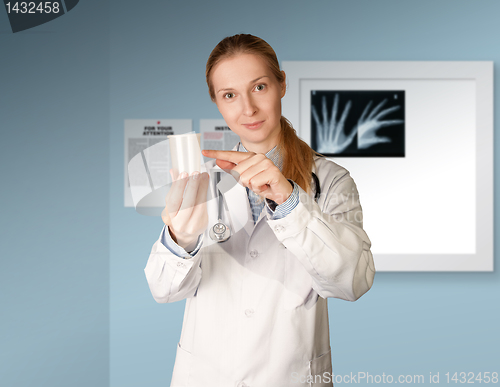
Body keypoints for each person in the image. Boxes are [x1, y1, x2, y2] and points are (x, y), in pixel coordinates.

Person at [144, 34, 375, 387]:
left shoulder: (331, 181)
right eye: (230, 95)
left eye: (260, 87)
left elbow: (352, 283)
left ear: (281, 85)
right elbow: (164, 290)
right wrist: (181, 239)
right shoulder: (201, 181)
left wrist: (290, 202)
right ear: (216, 102)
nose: (247, 109)